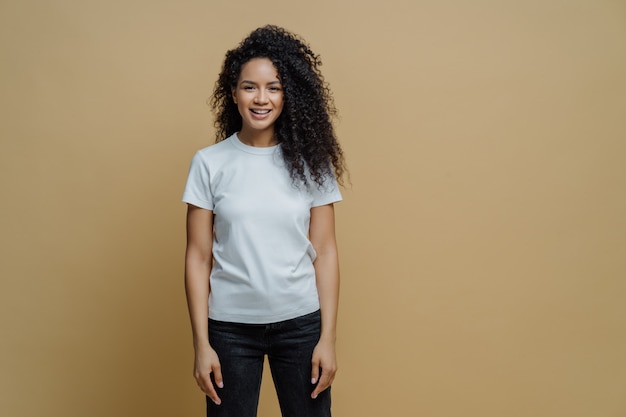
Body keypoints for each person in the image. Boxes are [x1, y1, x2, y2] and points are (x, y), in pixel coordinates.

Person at [182, 25, 346, 417]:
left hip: (301, 325)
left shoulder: (313, 164)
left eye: (273, 87)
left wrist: (327, 338)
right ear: (233, 93)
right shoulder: (209, 163)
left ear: (289, 95)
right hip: (230, 330)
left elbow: (325, 252)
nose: (261, 98)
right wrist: (202, 345)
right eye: (249, 87)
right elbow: (197, 257)